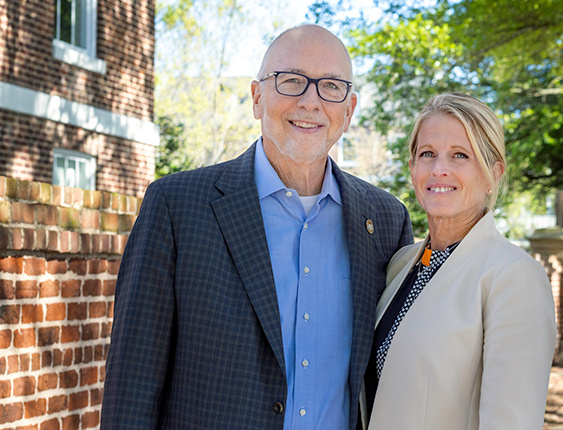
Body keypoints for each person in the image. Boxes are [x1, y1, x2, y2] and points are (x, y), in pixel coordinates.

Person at [100, 24, 413, 430]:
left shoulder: (386, 220)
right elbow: (133, 381)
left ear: (349, 110)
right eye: (292, 81)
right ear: (257, 98)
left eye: (331, 87)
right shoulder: (177, 206)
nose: (310, 101)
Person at [362, 93, 557, 429]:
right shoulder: (402, 263)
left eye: (460, 155)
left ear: (493, 175)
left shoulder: (513, 277)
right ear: (412, 169)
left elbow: (511, 422)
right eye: (427, 154)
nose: (440, 169)